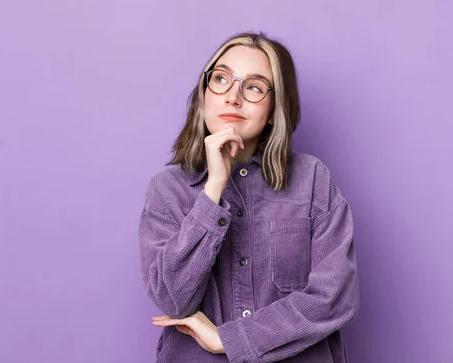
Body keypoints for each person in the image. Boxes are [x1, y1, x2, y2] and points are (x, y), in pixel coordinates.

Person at [139, 31, 359, 363]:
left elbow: (335, 296)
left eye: (254, 87)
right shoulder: (167, 190)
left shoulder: (312, 180)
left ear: (274, 109)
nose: (232, 97)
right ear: (204, 95)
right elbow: (172, 300)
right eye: (221, 80)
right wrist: (214, 188)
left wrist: (232, 339)